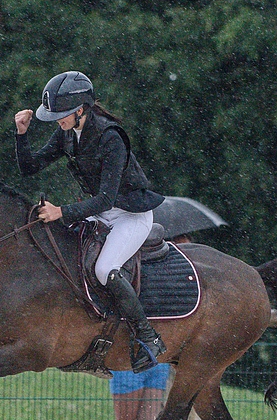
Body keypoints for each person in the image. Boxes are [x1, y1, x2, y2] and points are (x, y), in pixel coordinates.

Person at [14, 71, 167, 373]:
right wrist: (21, 135)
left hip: (130, 215)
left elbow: (106, 199)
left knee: (103, 269)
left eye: (61, 115)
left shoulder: (111, 138)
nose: (57, 120)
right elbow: (30, 167)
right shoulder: (68, 132)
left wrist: (61, 211)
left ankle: (148, 337)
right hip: (101, 211)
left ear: (80, 110)